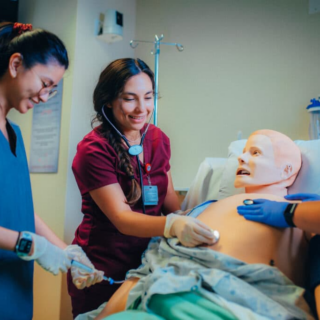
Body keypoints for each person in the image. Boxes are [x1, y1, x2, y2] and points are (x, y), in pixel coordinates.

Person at [93, 129, 315, 320]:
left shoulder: (304, 213)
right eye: (244, 151)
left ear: (287, 170)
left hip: (231, 303)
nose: (242, 158)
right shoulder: (200, 209)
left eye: (255, 153)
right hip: (164, 292)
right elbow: (150, 266)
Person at [67, 58, 216, 318]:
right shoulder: (93, 150)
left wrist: (190, 219)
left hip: (149, 262)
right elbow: (123, 219)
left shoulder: (158, 139)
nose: (141, 108)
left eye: (148, 97)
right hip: (102, 268)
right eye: (129, 98)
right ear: (109, 101)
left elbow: (169, 200)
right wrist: (172, 225)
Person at [0, 22, 101, 320]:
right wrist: (29, 244)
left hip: (15, 286)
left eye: (53, 90)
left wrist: (68, 253)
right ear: (16, 64)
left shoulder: (14, 134)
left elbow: (18, 210)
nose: (45, 97)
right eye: (45, 84)